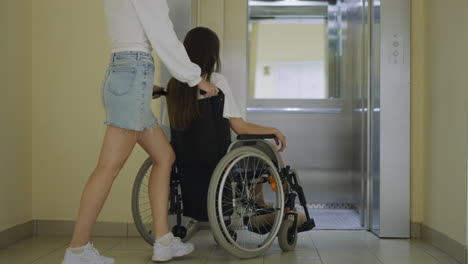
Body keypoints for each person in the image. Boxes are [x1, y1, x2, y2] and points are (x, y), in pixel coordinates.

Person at [61, 1, 218, 264]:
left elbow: (130, 35)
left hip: (127, 72)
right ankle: (77, 250)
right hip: (134, 72)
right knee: (108, 167)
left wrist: (142, 86)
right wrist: (195, 78)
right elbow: (162, 34)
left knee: (164, 156)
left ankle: (163, 240)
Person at [158, 27, 306, 232]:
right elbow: (239, 127)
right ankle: (271, 208)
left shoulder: (174, 85)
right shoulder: (215, 81)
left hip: (186, 164)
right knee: (266, 148)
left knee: (254, 152)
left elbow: (169, 127)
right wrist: (272, 130)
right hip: (218, 160)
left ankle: (262, 208)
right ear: (212, 54)